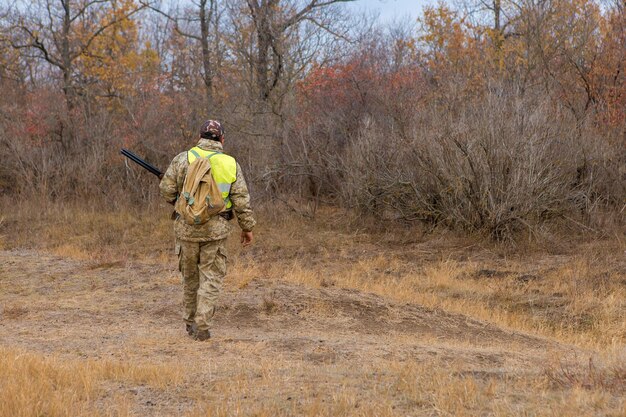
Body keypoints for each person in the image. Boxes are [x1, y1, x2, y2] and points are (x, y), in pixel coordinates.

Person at [159, 120, 256, 341]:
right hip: (216, 230)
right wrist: (247, 227)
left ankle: (189, 323)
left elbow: (166, 190)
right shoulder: (230, 163)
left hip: (186, 229)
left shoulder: (183, 158)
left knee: (190, 279)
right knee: (211, 277)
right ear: (222, 139)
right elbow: (241, 200)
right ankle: (202, 327)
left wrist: (183, 204)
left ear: (200, 137)